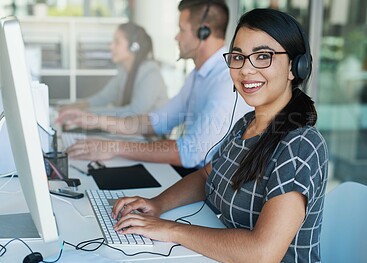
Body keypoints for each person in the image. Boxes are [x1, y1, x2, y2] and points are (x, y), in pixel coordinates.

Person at [110, 8, 329, 263]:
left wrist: (170, 230)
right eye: (238, 57)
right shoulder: (246, 124)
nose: (246, 70)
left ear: (295, 67)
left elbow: (261, 255)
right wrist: (156, 204)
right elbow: (206, 177)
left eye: (262, 56)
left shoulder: (300, 145)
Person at [56, 0, 251, 176]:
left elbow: (189, 152)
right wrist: (92, 120)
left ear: (204, 32)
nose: (176, 37)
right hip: (192, 177)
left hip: (209, 189)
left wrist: (114, 146)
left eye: (181, 30)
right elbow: (155, 122)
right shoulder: (198, 76)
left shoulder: (226, 79)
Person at [62, 22, 168, 116]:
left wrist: (87, 114)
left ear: (133, 47)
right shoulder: (124, 71)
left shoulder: (151, 74)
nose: (111, 46)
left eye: (117, 42)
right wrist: (74, 107)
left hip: (152, 137)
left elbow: (134, 113)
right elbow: (103, 97)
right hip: (134, 132)